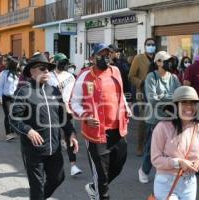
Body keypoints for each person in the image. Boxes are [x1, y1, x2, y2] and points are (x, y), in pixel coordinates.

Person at [9, 53, 79, 200]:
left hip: (54, 148)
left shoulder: (54, 90)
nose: (47, 71)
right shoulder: (24, 91)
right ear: (32, 71)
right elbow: (14, 118)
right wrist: (28, 130)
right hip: (34, 150)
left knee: (58, 178)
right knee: (37, 188)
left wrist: (71, 133)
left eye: (48, 68)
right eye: (42, 68)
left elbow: (63, 117)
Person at [70, 43, 130, 200]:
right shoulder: (84, 75)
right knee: (101, 176)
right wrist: (85, 116)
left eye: (107, 54)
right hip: (96, 134)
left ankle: (94, 186)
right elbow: (73, 103)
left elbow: (120, 93)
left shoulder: (115, 71)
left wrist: (126, 107)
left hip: (117, 129)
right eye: (101, 55)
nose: (105, 57)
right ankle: (99, 191)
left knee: (118, 164)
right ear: (92, 58)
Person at [151, 86, 199, 200]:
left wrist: (198, 164)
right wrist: (178, 163)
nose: (189, 107)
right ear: (176, 106)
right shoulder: (162, 127)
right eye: (184, 103)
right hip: (166, 183)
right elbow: (155, 159)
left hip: (190, 183)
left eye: (192, 103)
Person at [138, 51, 181, 184]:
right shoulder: (152, 77)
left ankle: (164, 173)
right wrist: (171, 97)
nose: (169, 63)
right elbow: (152, 100)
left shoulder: (174, 78)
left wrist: (163, 97)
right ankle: (144, 170)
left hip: (172, 118)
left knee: (170, 149)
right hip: (155, 119)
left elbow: (180, 96)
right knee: (152, 148)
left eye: (170, 60)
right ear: (158, 62)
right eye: (166, 60)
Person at [48, 53, 82, 177]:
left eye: (65, 62)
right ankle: (53, 166)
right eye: (61, 61)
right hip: (52, 110)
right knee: (53, 137)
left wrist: (74, 106)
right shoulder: (49, 76)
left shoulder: (70, 76)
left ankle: (73, 165)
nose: (63, 64)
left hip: (67, 110)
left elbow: (75, 93)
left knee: (70, 136)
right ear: (55, 62)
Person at [128, 38, 156, 156]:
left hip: (157, 93)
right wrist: (141, 82)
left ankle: (154, 147)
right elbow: (131, 76)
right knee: (143, 122)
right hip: (143, 94)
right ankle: (140, 146)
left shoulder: (158, 58)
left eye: (153, 44)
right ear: (145, 46)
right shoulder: (138, 58)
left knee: (157, 122)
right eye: (148, 44)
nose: (151, 46)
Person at [0, 56, 19, 141]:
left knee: (14, 114)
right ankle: (8, 133)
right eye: (17, 64)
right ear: (13, 64)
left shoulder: (17, 74)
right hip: (6, 97)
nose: (18, 65)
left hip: (15, 97)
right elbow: (0, 86)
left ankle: (14, 131)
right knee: (8, 115)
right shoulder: (3, 73)